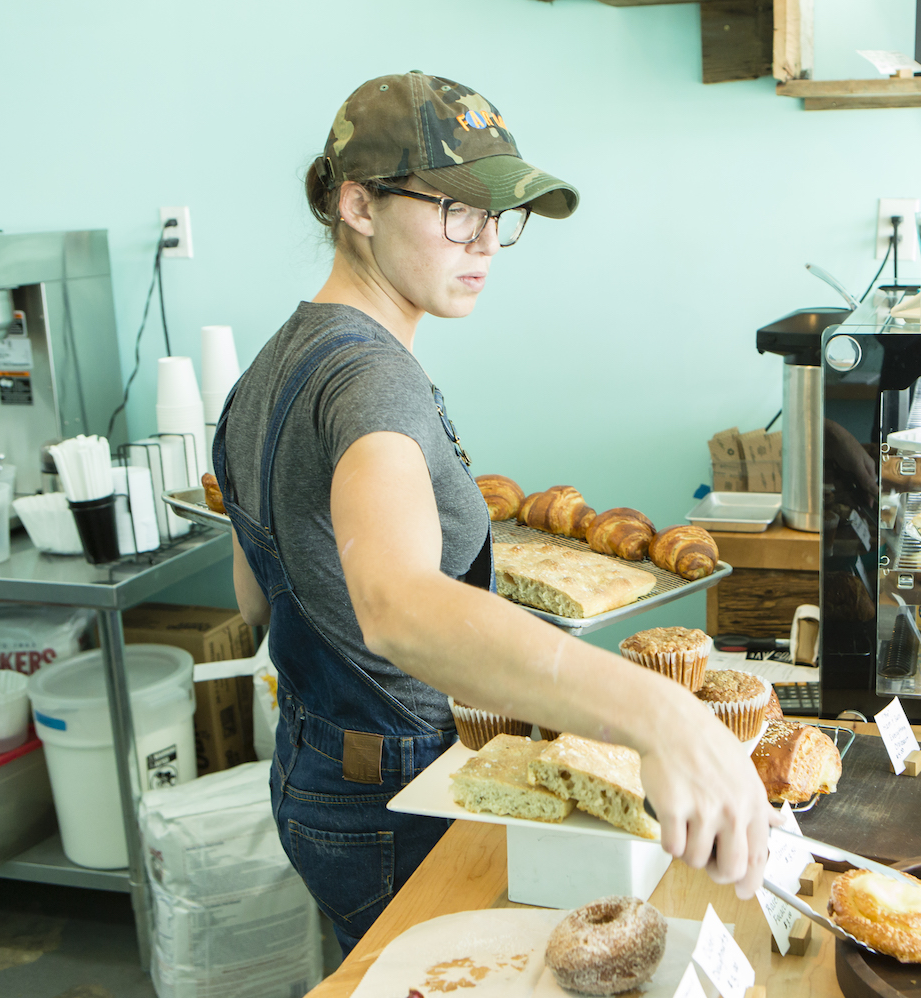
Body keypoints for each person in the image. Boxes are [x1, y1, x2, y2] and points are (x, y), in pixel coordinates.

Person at [214, 72, 775, 954]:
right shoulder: (372, 380)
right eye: (455, 213)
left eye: (496, 218)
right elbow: (397, 606)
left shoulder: (272, 365)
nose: (486, 245)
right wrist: (660, 716)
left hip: (313, 772)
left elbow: (257, 597)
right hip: (396, 797)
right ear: (358, 205)